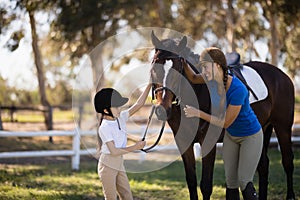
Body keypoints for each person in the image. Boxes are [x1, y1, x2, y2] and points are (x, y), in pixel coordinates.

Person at [182, 47, 263, 200]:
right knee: (231, 183)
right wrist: (183, 60)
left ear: (217, 65)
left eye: (205, 67)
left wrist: (198, 113)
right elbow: (193, 77)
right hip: (232, 137)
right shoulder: (210, 79)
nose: (203, 71)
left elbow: (225, 123)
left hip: (250, 136)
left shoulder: (238, 89)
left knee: (244, 181)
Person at [94, 84, 151, 200]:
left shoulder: (120, 117)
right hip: (108, 164)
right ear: (106, 110)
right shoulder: (104, 127)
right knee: (111, 197)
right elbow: (114, 151)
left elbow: (139, 104)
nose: (119, 109)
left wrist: (150, 84)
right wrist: (135, 147)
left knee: (127, 196)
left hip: (119, 162)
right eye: (116, 107)